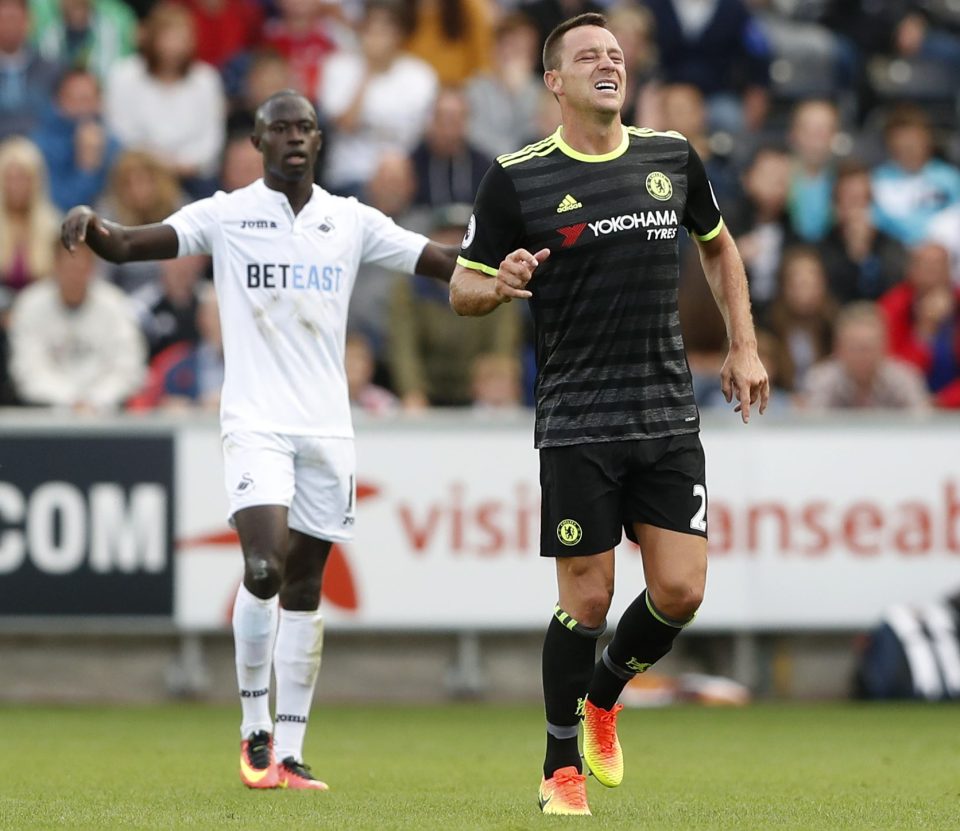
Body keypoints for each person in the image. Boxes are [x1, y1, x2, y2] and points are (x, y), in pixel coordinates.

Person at [61, 89, 458, 790]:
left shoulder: (350, 220)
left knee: (306, 583)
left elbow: (439, 260)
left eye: (306, 127)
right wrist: (92, 225)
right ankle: (254, 725)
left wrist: (503, 266)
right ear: (257, 141)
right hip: (255, 422)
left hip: (327, 426)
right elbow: (130, 244)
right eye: (281, 129)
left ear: (318, 140)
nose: (295, 138)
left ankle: (294, 750)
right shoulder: (228, 212)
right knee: (266, 567)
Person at [449, 13, 768, 816]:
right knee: (587, 601)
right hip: (577, 419)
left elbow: (720, 246)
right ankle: (561, 767)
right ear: (554, 82)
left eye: (616, 54)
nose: (607, 63)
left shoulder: (671, 157)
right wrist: (503, 279)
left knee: (682, 591)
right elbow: (463, 287)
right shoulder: (516, 176)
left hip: (664, 412)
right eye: (588, 55)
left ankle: (604, 695)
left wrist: (744, 347)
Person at [7, 241, 146, 410]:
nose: (75, 275)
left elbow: (128, 367)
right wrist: (70, 400)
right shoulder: (30, 304)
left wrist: (96, 400)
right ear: (55, 266)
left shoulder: (115, 304)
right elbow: (27, 370)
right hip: (44, 412)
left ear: (93, 269)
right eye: (69, 267)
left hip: (107, 412)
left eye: (81, 268)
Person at [803, 302, 929, 410]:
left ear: (884, 347)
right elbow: (812, 430)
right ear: (838, 349)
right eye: (854, 348)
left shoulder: (905, 380)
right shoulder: (821, 380)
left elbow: (923, 427)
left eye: (869, 348)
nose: (862, 355)